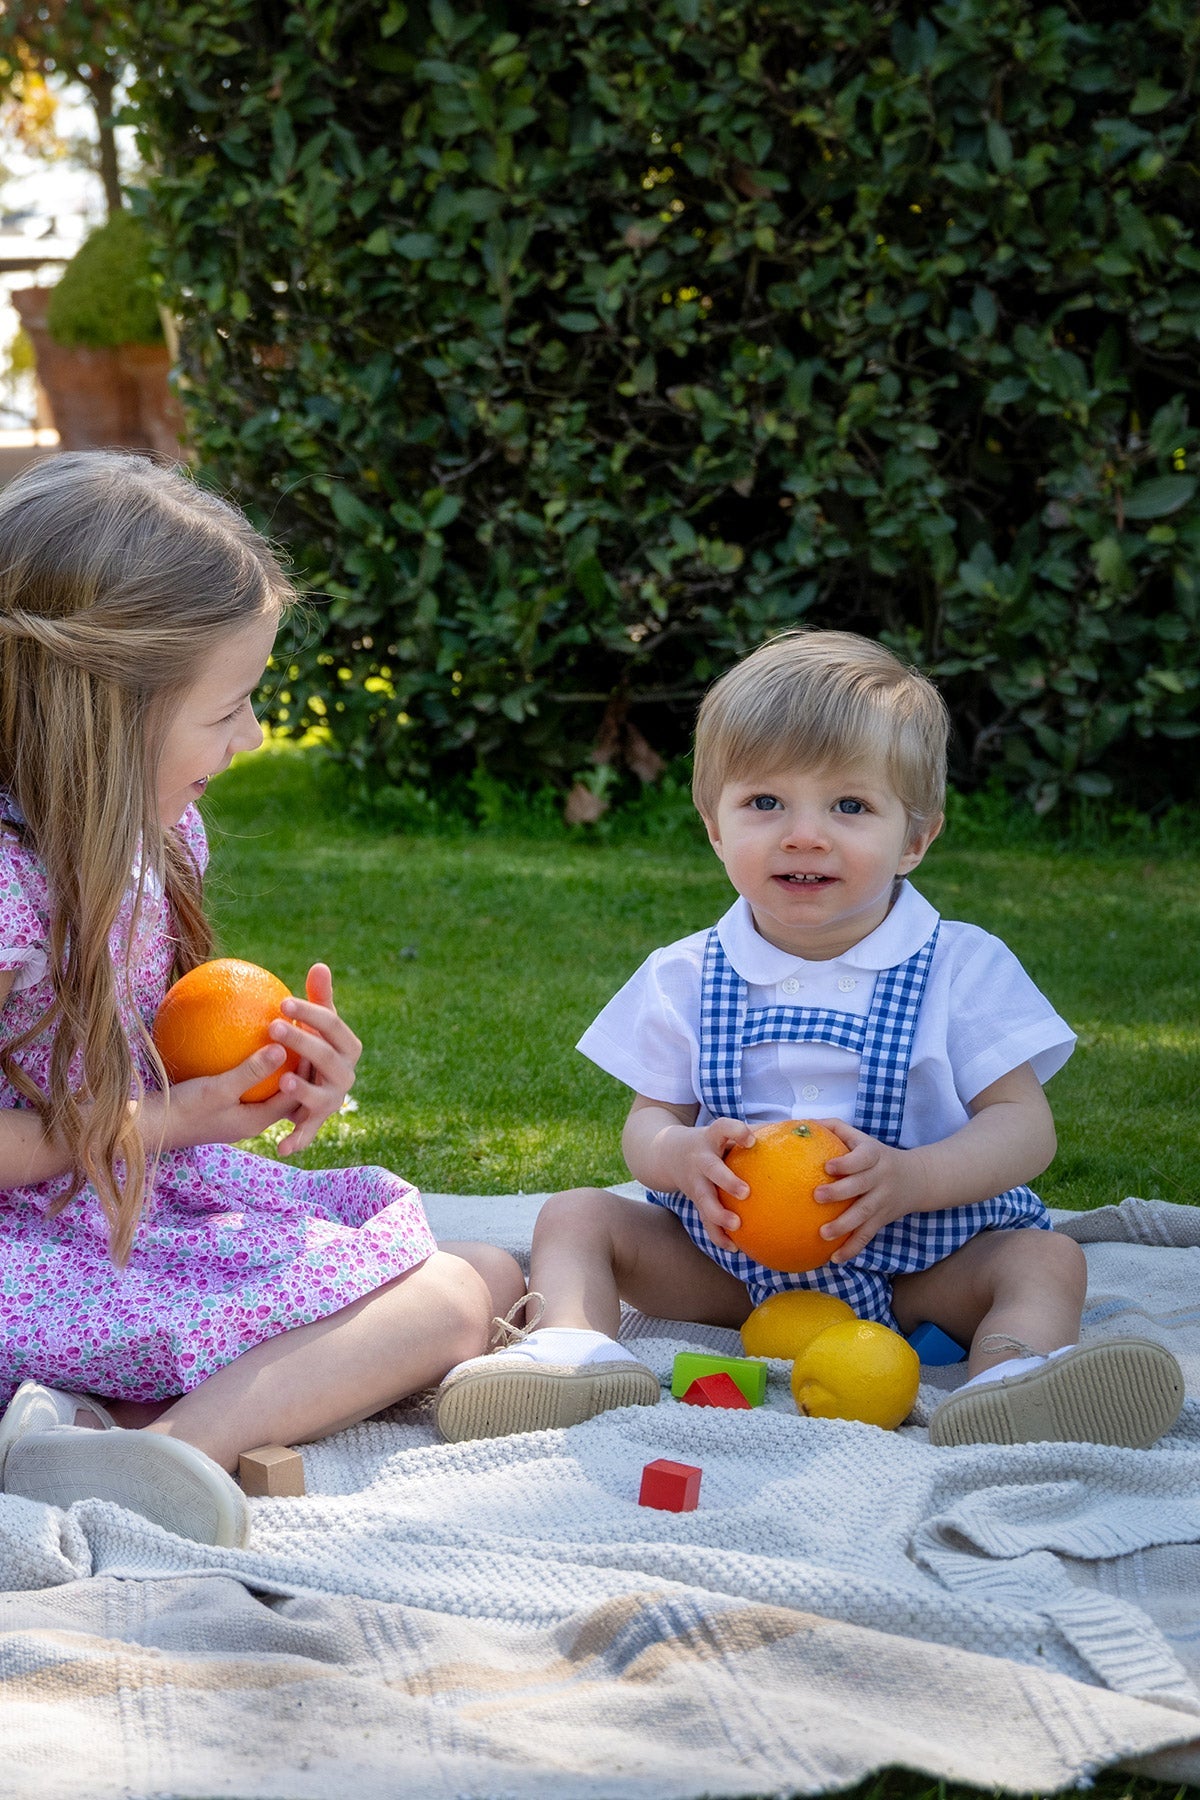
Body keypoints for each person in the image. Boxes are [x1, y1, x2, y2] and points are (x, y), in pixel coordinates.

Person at [434, 629, 1184, 1450]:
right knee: (576, 1215)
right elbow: (648, 1122)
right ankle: (570, 1354)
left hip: (925, 1265)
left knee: (1045, 1261)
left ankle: (1012, 1380)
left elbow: (1024, 1128)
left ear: (915, 839)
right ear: (715, 829)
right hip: (729, 1268)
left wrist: (911, 1178)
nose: (804, 834)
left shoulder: (962, 967)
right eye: (765, 803)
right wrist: (681, 1156)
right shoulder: (687, 973)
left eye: (849, 806)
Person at [0, 451, 525, 1546]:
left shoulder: (148, 837)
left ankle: (102, 1430)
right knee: (454, 1293)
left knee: (473, 1274)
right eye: (231, 708)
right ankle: (177, 1449)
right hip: (32, 1251)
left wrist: (270, 1070)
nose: (250, 740)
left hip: (120, 1210)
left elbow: (130, 1040)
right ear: (104, 710)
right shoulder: (8, 887)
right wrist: (171, 1121)